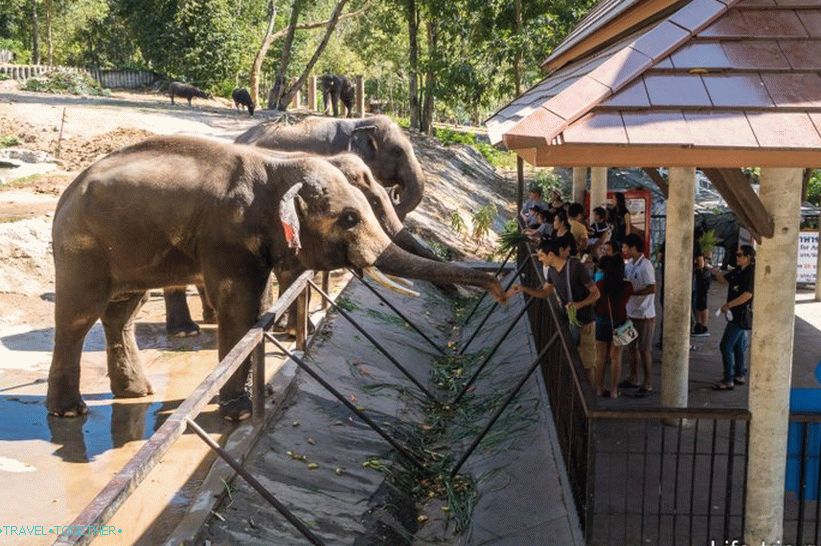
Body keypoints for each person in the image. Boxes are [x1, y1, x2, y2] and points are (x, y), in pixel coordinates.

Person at [508, 238, 600, 388]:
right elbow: (545, 292)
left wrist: (579, 304)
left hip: (586, 322)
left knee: (587, 364)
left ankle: (590, 394)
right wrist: (524, 289)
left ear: (551, 254)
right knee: (573, 359)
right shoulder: (551, 271)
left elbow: (596, 293)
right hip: (570, 322)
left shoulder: (577, 268)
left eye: (541, 255)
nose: (539, 258)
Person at [711, 245, 756, 391]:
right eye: (736, 254)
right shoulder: (738, 270)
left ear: (748, 257)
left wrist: (728, 305)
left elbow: (747, 295)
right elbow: (724, 280)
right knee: (738, 346)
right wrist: (713, 271)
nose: (736, 257)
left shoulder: (750, 272)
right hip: (735, 314)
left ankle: (728, 379)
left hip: (740, 315)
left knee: (725, 346)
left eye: (739, 255)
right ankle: (739, 374)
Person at [594, 255, 634, 399]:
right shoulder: (627, 286)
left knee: (600, 356)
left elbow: (596, 303)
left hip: (601, 320)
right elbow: (626, 301)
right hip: (621, 322)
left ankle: (599, 388)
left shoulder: (600, 284)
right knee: (616, 357)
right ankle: (614, 391)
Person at [621, 233, 655, 396]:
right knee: (630, 347)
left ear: (633, 247)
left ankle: (647, 382)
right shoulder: (629, 264)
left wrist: (633, 293)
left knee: (644, 349)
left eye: (625, 247)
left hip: (644, 314)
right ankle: (633, 377)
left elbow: (652, 287)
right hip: (630, 312)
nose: (623, 250)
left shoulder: (645, 265)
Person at [692, 243, 711, 337]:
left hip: (702, 275)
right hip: (700, 274)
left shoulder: (701, 246)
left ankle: (703, 326)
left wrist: (700, 266)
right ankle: (699, 324)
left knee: (702, 302)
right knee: (699, 302)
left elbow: (702, 262)